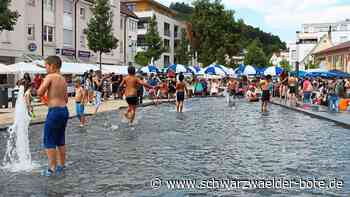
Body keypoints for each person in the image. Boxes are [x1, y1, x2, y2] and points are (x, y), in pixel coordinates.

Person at [37, 56, 69, 177]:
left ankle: (52, 168)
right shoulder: (63, 79)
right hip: (64, 110)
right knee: (60, 139)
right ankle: (61, 165)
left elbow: (40, 92)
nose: (45, 68)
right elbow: (65, 98)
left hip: (54, 111)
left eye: (46, 66)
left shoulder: (50, 77)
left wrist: (33, 91)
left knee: (48, 139)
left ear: (52, 66)